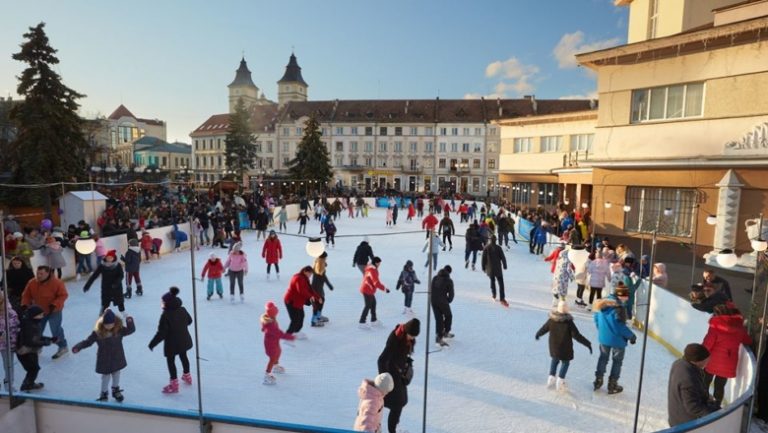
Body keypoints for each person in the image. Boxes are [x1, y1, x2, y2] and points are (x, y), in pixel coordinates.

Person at [72, 309, 135, 402]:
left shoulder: (119, 329)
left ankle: (115, 390)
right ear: (102, 323)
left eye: (111, 324)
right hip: (104, 358)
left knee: (116, 373)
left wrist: (130, 321)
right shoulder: (98, 332)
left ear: (115, 322)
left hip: (117, 356)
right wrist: (79, 346)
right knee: (105, 376)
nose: (108, 326)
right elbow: (88, 341)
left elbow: (131, 330)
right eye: (106, 324)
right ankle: (104, 393)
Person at [535, 300, 592, 391]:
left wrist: (538, 334)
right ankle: (560, 380)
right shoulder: (568, 322)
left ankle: (551, 378)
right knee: (565, 363)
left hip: (554, 346)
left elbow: (544, 328)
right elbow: (577, 335)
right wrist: (587, 343)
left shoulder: (552, 320)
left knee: (555, 359)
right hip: (565, 348)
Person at [702, 304, 752, 406]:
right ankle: (716, 405)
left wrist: (699, 355)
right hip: (728, 364)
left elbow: (707, 345)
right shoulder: (740, 328)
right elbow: (748, 341)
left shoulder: (715, 327)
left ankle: (703, 401)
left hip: (711, 362)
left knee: (705, 382)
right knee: (720, 386)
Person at [148, 287, 193, 394]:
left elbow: (162, 333)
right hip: (184, 340)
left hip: (172, 344)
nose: (162, 304)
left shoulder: (165, 315)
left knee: (171, 362)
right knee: (184, 356)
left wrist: (152, 343)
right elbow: (189, 321)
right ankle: (187, 376)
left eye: (163, 302)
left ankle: (174, 385)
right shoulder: (183, 309)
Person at [378, 318, 419, 433]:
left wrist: (407, 361)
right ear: (406, 331)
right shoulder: (395, 339)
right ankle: (392, 430)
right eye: (411, 335)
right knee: (396, 405)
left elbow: (402, 354)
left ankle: (395, 426)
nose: (412, 338)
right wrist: (384, 379)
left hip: (399, 375)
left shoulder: (407, 340)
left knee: (400, 402)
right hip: (391, 377)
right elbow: (381, 360)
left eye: (414, 336)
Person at [593, 285, 636, 394]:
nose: (627, 298)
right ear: (621, 296)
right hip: (617, 340)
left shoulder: (602, 303)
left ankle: (598, 380)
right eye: (626, 296)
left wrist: (602, 329)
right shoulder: (618, 308)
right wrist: (631, 336)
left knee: (603, 358)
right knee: (617, 361)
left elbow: (596, 317)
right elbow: (619, 326)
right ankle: (612, 385)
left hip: (604, 337)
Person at [21, 265, 69, 359]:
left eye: (41, 274)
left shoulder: (57, 283)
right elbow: (26, 295)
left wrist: (54, 304)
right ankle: (37, 346)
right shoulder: (32, 282)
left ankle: (63, 346)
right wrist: (24, 304)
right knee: (37, 330)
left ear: (48, 273)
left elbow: (63, 295)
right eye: (37, 273)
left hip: (54, 311)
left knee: (55, 330)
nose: (38, 275)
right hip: (39, 311)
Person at [667, 343, 721, 426]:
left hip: (677, 416)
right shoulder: (687, 378)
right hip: (685, 425)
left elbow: (693, 391)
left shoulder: (679, 363)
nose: (708, 363)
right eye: (706, 360)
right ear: (696, 361)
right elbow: (693, 407)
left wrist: (706, 396)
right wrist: (716, 414)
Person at [15, 305, 53, 391]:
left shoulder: (34, 323)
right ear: (34, 316)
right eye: (40, 315)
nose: (42, 316)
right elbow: (30, 342)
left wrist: (49, 339)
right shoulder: (29, 326)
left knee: (33, 369)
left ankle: (29, 383)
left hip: (31, 351)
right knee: (33, 369)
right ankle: (26, 386)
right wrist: (45, 343)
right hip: (25, 352)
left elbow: (37, 337)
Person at [261, 301, 296, 385]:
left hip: (274, 342)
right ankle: (267, 375)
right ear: (273, 312)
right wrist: (291, 337)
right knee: (272, 358)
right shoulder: (270, 324)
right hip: (270, 344)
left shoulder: (271, 318)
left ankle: (276, 366)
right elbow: (279, 333)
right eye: (275, 309)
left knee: (278, 352)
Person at [283, 266, 318, 339]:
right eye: (310, 273)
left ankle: (296, 332)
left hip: (298, 301)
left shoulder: (305, 278)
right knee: (295, 320)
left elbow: (309, 289)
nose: (310, 275)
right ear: (305, 271)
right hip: (291, 301)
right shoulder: (298, 278)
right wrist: (311, 297)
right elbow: (301, 290)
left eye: (311, 274)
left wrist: (317, 296)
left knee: (301, 316)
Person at [359, 257, 389, 329]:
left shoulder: (370, 268)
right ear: (376, 263)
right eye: (379, 263)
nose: (379, 265)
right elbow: (376, 283)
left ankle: (373, 320)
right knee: (368, 305)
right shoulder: (372, 270)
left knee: (373, 304)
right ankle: (362, 322)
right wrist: (385, 289)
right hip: (367, 289)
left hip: (369, 289)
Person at [0, 292, 20, 391]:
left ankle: (8, 385)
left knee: (9, 366)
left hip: (7, 345)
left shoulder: (11, 313)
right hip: (4, 343)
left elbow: (16, 327)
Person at [431, 265, 454, 347]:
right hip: (442, 301)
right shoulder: (449, 280)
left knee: (438, 318)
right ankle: (446, 332)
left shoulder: (435, 278)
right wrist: (447, 300)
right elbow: (451, 295)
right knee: (449, 316)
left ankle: (439, 336)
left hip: (433, 300)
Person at [482, 236, 508, 306]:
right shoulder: (498, 248)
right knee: (501, 283)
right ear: (495, 240)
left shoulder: (486, 248)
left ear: (490, 240)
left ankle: (494, 294)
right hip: (498, 268)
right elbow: (503, 257)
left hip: (490, 269)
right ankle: (502, 298)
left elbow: (483, 258)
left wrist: (483, 267)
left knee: (492, 281)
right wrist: (505, 265)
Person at [311, 252, 334, 327]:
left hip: (318, 286)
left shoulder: (319, 264)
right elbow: (324, 277)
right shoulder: (319, 266)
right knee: (318, 302)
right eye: (325, 258)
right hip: (316, 287)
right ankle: (314, 320)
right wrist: (329, 285)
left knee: (321, 301)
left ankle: (318, 316)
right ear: (322, 259)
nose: (326, 259)